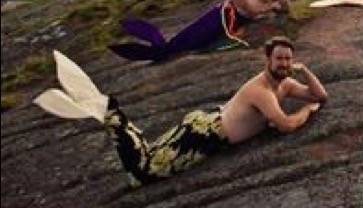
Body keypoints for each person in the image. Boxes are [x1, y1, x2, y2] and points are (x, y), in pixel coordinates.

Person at [35, 36, 327, 186]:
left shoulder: (286, 83)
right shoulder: (261, 90)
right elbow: (288, 125)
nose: (284, 64)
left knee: (148, 155)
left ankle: (107, 110)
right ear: (267, 59)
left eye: (289, 60)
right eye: (279, 59)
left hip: (205, 122)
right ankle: (108, 111)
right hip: (204, 135)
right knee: (144, 172)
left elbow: (320, 95)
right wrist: (308, 112)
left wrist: (307, 71)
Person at [109, 0, 289, 63]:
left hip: (241, 20)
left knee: (204, 40)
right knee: (193, 31)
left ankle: (163, 51)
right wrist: (248, 5)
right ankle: (161, 47)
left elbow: (284, 8)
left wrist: (268, 7)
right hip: (227, 11)